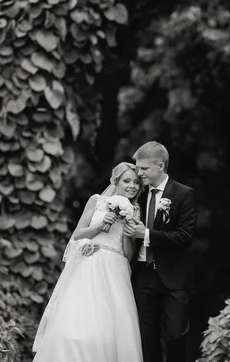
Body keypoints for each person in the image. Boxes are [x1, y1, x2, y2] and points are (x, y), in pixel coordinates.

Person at [32, 162, 144, 362]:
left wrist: (128, 231)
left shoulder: (134, 211)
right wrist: (103, 224)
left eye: (136, 182)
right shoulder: (97, 201)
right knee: (79, 320)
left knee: (111, 328)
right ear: (115, 181)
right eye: (126, 180)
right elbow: (78, 234)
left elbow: (128, 255)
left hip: (116, 269)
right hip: (91, 265)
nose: (132, 186)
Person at [124, 141, 197, 362]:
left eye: (144, 169)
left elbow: (185, 237)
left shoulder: (184, 194)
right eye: (137, 168)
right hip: (143, 276)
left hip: (174, 278)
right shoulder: (137, 196)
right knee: (147, 338)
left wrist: (146, 235)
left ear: (161, 166)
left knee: (176, 336)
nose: (139, 174)